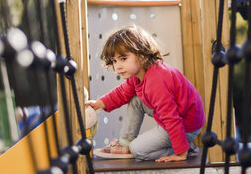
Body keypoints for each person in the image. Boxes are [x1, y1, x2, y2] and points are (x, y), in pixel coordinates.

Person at [86, 25, 205, 162]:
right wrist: (99, 103)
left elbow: (171, 118)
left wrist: (180, 153)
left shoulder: (157, 81)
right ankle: (125, 144)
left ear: (142, 55)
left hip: (185, 125)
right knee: (136, 100)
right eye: (114, 60)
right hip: (177, 115)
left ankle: (186, 147)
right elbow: (121, 93)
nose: (117, 66)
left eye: (123, 58)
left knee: (138, 150)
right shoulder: (138, 75)